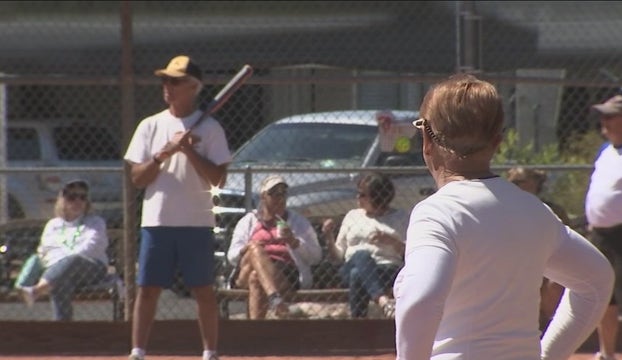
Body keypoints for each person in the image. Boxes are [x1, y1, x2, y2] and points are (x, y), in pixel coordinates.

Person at [394, 73, 614, 360]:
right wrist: (548, 355)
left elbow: (421, 300)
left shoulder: (437, 212)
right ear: (497, 141)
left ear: (427, 140)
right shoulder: (534, 211)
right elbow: (597, 280)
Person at [123, 55, 232, 360]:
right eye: (165, 81)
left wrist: (188, 150)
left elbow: (218, 179)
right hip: (157, 221)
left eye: (175, 81)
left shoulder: (210, 129)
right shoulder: (150, 125)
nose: (167, 87)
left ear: (193, 87)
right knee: (147, 289)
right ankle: (138, 352)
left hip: (197, 222)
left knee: (203, 290)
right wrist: (162, 155)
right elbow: (137, 179)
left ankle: (210, 353)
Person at [227, 175, 322, 319]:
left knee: (256, 278)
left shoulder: (298, 222)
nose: (280, 198)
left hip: (283, 271)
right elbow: (231, 256)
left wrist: (293, 242)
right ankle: (275, 298)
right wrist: (247, 248)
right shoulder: (249, 221)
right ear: (263, 197)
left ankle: (255, 335)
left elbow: (316, 256)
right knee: (254, 249)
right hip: (245, 271)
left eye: (283, 193)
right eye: (274, 194)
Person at [584, 94, 622, 360]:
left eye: (610, 116)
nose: (603, 121)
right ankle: (607, 353)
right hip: (600, 234)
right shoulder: (605, 151)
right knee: (605, 297)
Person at [14, 179, 109, 321]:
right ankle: (63, 328)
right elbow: (47, 250)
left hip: (91, 269)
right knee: (61, 280)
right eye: (72, 197)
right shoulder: (53, 225)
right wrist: (63, 264)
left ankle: (36, 291)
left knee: (73, 261)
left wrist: (66, 260)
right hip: (58, 272)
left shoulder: (95, 222)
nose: (78, 201)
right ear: (62, 200)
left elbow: (93, 247)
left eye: (82, 197)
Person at [321, 172, 408, 319]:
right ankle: (384, 302)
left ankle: (358, 323)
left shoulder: (400, 217)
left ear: (377, 197)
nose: (357, 197)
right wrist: (329, 237)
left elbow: (410, 253)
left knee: (358, 275)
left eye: (362, 195)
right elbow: (339, 255)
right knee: (361, 256)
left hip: (386, 269)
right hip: (349, 267)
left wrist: (391, 241)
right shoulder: (352, 216)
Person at [506, 166, 568, 331]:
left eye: (519, 182)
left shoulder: (552, 210)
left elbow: (567, 240)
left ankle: (548, 325)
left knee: (555, 282)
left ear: (534, 184)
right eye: (511, 182)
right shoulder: (501, 207)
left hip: (546, 261)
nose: (513, 185)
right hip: (512, 263)